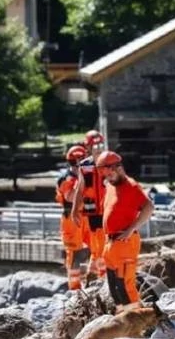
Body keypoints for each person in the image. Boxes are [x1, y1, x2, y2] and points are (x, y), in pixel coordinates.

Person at [96, 150, 154, 310]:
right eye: (106, 176)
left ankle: (136, 319)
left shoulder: (131, 186)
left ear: (119, 168)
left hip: (125, 243)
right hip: (110, 244)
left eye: (110, 174)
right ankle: (122, 318)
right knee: (114, 288)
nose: (108, 178)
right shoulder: (110, 186)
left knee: (125, 287)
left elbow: (149, 207)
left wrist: (131, 229)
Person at [71, 130, 108, 281]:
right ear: (88, 147)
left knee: (107, 246)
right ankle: (96, 277)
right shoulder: (85, 166)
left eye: (100, 145)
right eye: (95, 146)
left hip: (108, 212)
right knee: (96, 248)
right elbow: (79, 190)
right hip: (92, 214)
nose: (98, 149)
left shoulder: (110, 162)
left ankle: (103, 276)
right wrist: (74, 210)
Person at [56, 145, 89, 289]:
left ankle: (94, 279)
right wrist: (82, 182)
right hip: (71, 218)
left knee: (96, 248)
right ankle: (74, 287)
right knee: (74, 253)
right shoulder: (66, 179)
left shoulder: (88, 175)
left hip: (87, 216)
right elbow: (69, 197)